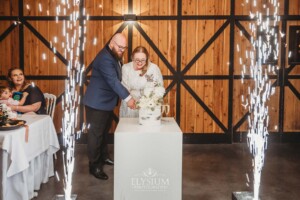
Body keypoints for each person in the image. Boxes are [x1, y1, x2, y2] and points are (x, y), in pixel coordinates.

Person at [83, 33, 136, 180]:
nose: (122, 50)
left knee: (104, 132)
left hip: (105, 102)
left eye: (124, 48)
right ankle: (94, 165)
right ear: (112, 43)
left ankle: (104, 157)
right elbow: (113, 81)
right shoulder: (105, 57)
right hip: (97, 103)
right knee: (95, 135)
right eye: (120, 47)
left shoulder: (113, 53)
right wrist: (128, 98)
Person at [119, 46, 164, 117]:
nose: (140, 63)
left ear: (147, 58)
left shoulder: (154, 68)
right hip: (131, 107)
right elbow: (124, 88)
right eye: (137, 60)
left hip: (149, 107)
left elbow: (159, 88)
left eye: (143, 60)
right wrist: (133, 101)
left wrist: (149, 102)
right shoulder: (126, 68)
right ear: (132, 58)